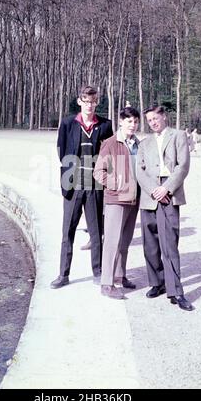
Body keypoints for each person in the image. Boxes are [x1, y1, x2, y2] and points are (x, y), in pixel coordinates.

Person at [51, 85, 113, 289]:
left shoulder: (105, 125)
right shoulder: (68, 123)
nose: (89, 105)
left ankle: (98, 272)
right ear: (79, 101)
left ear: (97, 102)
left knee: (96, 232)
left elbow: (110, 155)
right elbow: (61, 151)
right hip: (73, 185)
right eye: (86, 101)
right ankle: (63, 274)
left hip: (95, 186)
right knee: (67, 231)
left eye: (93, 101)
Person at [136, 105, 194, 311]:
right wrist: (153, 189)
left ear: (164, 117)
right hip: (149, 194)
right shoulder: (144, 143)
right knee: (150, 244)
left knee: (169, 244)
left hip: (169, 193)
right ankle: (157, 283)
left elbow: (183, 166)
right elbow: (139, 171)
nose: (152, 122)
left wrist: (166, 188)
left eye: (155, 118)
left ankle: (176, 291)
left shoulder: (178, 136)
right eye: (149, 120)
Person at [94, 106, 140, 299]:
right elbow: (98, 172)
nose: (133, 125)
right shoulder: (111, 143)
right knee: (112, 241)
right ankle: (106, 283)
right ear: (120, 121)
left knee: (125, 241)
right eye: (129, 121)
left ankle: (120, 276)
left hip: (134, 199)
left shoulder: (138, 143)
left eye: (136, 122)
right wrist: (117, 183)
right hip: (116, 199)